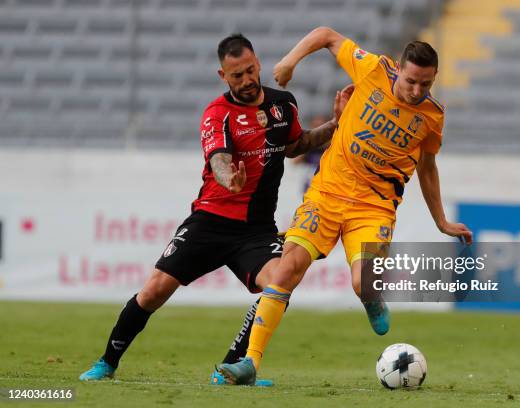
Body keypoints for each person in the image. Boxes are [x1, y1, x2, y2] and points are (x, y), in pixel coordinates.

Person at [78, 33, 351, 385]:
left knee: (280, 282)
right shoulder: (217, 113)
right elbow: (219, 159)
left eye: (250, 71)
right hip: (211, 221)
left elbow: (297, 145)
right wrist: (229, 180)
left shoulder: (283, 105)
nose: (247, 80)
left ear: (258, 65)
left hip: (255, 230)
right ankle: (107, 362)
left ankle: (231, 369)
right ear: (224, 76)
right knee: (154, 291)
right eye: (237, 75)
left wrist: (336, 124)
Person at [217, 27, 473, 385]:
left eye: (426, 84)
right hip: (326, 195)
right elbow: (326, 35)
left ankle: (371, 297)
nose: (417, 91)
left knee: (363, 282)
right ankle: (251, 362)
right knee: (286, 269)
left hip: (374, 206)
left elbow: (428, 167)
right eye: (412, 81)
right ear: (399, 69)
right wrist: (290, 61)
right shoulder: (372, 69)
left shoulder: (432, 116)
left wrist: (441, 221)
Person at [293, 115, 331, 193]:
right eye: (316, 127)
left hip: (325, 189)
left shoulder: (331, 146)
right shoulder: (309, 146)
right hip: (309, 189)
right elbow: (295, 162)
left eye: (320, 127)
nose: (319, 131)